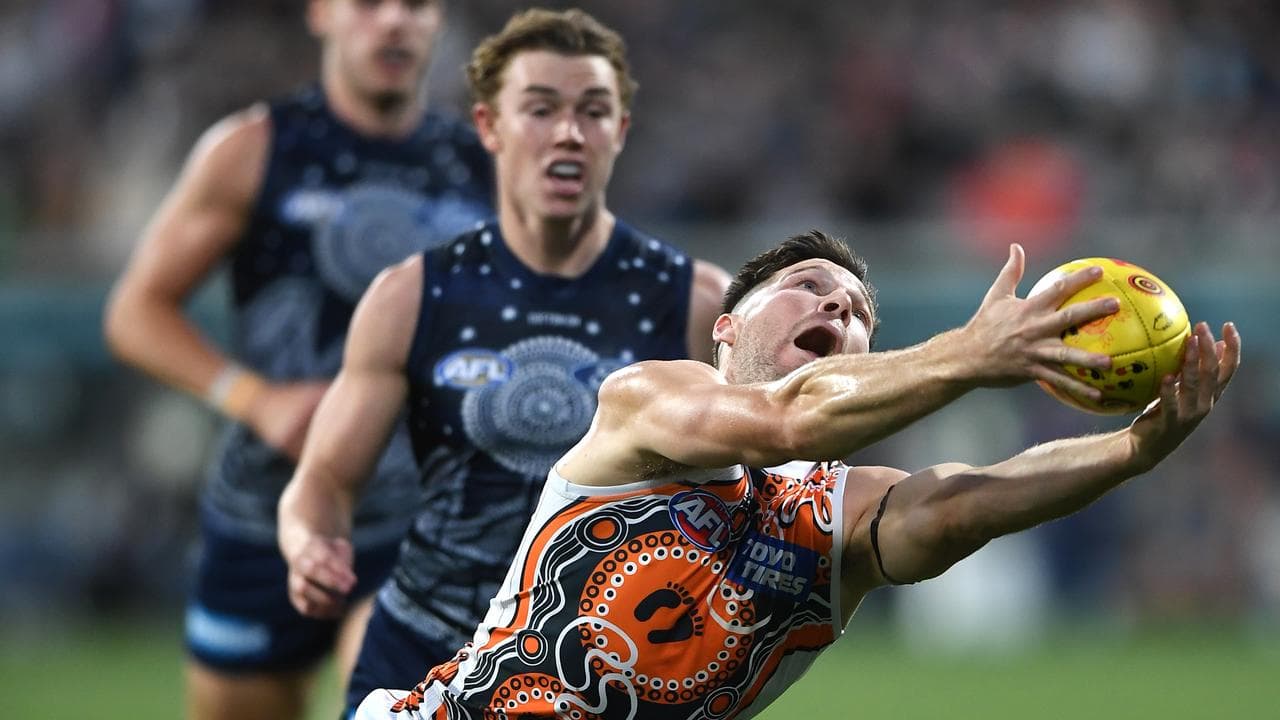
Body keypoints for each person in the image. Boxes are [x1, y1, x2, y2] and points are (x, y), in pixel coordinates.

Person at [352, 230, 1241, 719]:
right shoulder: (647, 400)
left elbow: (961, 507)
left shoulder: (833, 520)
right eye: (808, 285)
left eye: (856, 314)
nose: (836, 304)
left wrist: (1131, 452)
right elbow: (786, 422)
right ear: (727, 328)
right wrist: (972, 354)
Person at [275, 8, 732, 716]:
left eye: (592, 111)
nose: (568, 133)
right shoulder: (411, 296)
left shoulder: (696, 304)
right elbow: (323, 482)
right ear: (488, 127)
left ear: (620, 131)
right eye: (541, 109)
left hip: (599, 671)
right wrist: (309, 544)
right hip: (424, 652)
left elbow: (767, 493)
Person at [102, 2, 494, 718]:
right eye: (370, 4)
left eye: (416, 4)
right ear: (322, 12)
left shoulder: (483, 165)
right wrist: (255, 400)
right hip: (266, 510)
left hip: (422, 522)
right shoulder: (255, 150)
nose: (394, 22)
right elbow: (136, 312)